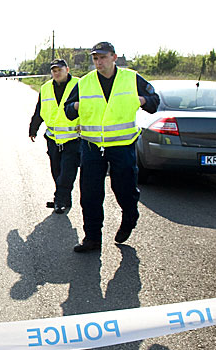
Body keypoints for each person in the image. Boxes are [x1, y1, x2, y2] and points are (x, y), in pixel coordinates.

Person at [64, 42, 160, 252]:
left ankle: (129, 216)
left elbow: (155, 102)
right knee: (90, 194)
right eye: (95, 58)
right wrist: (77, 106)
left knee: (124, 189)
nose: (99, 62)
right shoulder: (85, 82)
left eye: (103, 57)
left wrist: (141, 100)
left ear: (114, 57)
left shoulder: (131, 78)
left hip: (122, 147)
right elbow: (68, 110)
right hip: (91, 147)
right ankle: (92, 238)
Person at [28, 59, 80, 214]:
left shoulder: (79, 85)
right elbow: (40, 110)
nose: (56, 73)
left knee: (67, 172)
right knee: (56, 170)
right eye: (54, 71)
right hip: (53, 138)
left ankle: (59, 200)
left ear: (67, 70)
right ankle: (65, 198)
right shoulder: (46, 88)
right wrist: (33, 129)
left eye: (59, 70)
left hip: (73, 138)